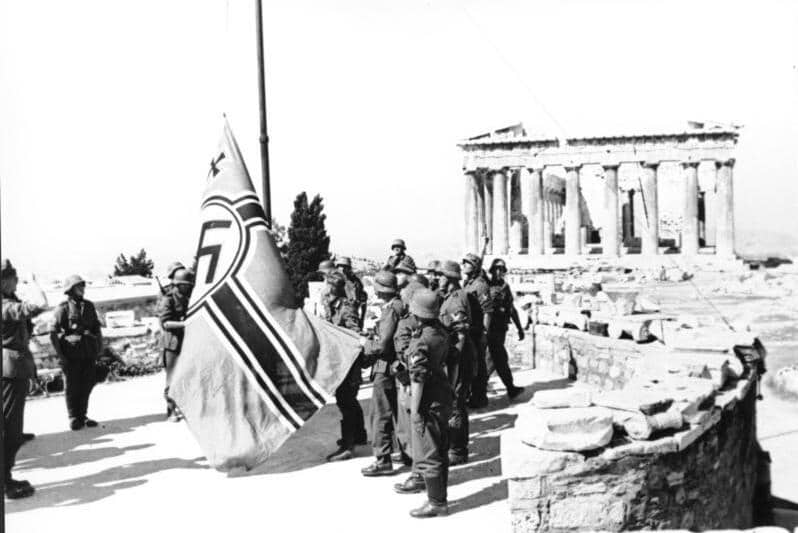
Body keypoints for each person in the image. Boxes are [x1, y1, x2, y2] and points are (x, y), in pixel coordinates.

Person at [404, 289, 453, 518]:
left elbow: (417, 379)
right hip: (443, 396)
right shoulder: (442, 332)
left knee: (429, 452)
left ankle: (437, 503)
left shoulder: (420, 341)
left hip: (428, 401)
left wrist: (415, 411)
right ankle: (439, 498)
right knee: (441, 449)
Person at [2, 259, 48, 499]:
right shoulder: (6, 306)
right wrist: (34, 282)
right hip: (9, 371)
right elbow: (41, 303)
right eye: (13, 277)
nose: (16, 281)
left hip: (11, 368)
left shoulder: (9, 303)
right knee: (10, 429)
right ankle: (5, 481)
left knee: (9, 428)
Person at [360, 271, 404, 477]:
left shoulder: (390, 310)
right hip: (394, 367)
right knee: (398, 413)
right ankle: (405, 453)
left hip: (385, 367)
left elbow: (383, 344)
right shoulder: (398, 305)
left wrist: (365, 344)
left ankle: (383, 459)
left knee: (380, 414)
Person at [50, 275, 103, 430]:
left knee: (86, 384)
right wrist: (61, 356)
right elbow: (53, 333)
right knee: (72, 386)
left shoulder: (89, 306)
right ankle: (73, 417)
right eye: (78, 286)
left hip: (88, 351)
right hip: (71, 354)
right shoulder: (62, 308)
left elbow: (96, 328)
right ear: (70, 290)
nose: (82, 289)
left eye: (82, 286)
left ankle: (83, 415)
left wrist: (99, 348)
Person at [324, 271, 367, 461]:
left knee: (345, 401)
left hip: (348, 363)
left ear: (333, 287)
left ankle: (348, 445)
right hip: (340, 361)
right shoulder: (332, 306)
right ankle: (359, 435)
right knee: (349, 400)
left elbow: (356, 334)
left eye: (326, 285)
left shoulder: (346, 308)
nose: (324, 289)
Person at [437, 260, 476, 466]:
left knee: (455, 403)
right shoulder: (453, 297)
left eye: (442, 276)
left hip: (458, 359)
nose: (439, 279)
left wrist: (453, 365)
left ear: (450, 278)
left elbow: (460, 335)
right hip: (455, 357)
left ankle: (458, 450)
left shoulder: (456, 301)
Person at [157, 266, 195, 421]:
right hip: (172, 343)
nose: (187, 287)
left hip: (187, 341)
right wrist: (185, 324)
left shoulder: (190, 298)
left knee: (187, 376)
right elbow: (165, 323)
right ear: (178, 284)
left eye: (188, 285)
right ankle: (171, 409)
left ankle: (185, 407)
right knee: (172, 378)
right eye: (184, 285)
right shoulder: (168, 298)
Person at [486, 259, 525, 399]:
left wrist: (520, 327)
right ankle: (510, 388)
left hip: (500, 329)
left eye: (501, 270)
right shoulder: (485, 285)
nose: (499, 272)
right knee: (498, 358)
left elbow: (511, 309)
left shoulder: (505, 287)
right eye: (496, 269)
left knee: (494, 359)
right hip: (489, 328)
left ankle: (482, 387)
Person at [461, 253, 494, 409]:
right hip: (470, 330)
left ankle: (480, 398)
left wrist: (485, 334)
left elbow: (487, 311)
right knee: (471, 365)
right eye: (464, 263)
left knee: (479, 365)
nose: (464, 265)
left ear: (474, 267)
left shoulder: (480, 285)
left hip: (477, 331)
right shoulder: (468, 284)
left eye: (467, 263)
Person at [335, 256, 367, 327]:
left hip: (350, 312)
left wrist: (362, 319)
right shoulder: (335, 280)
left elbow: (363, 300)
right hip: (338, 312)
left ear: (349, 268)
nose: (342, 269)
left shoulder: (356, 282)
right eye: (340, 266)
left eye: (345, 267)